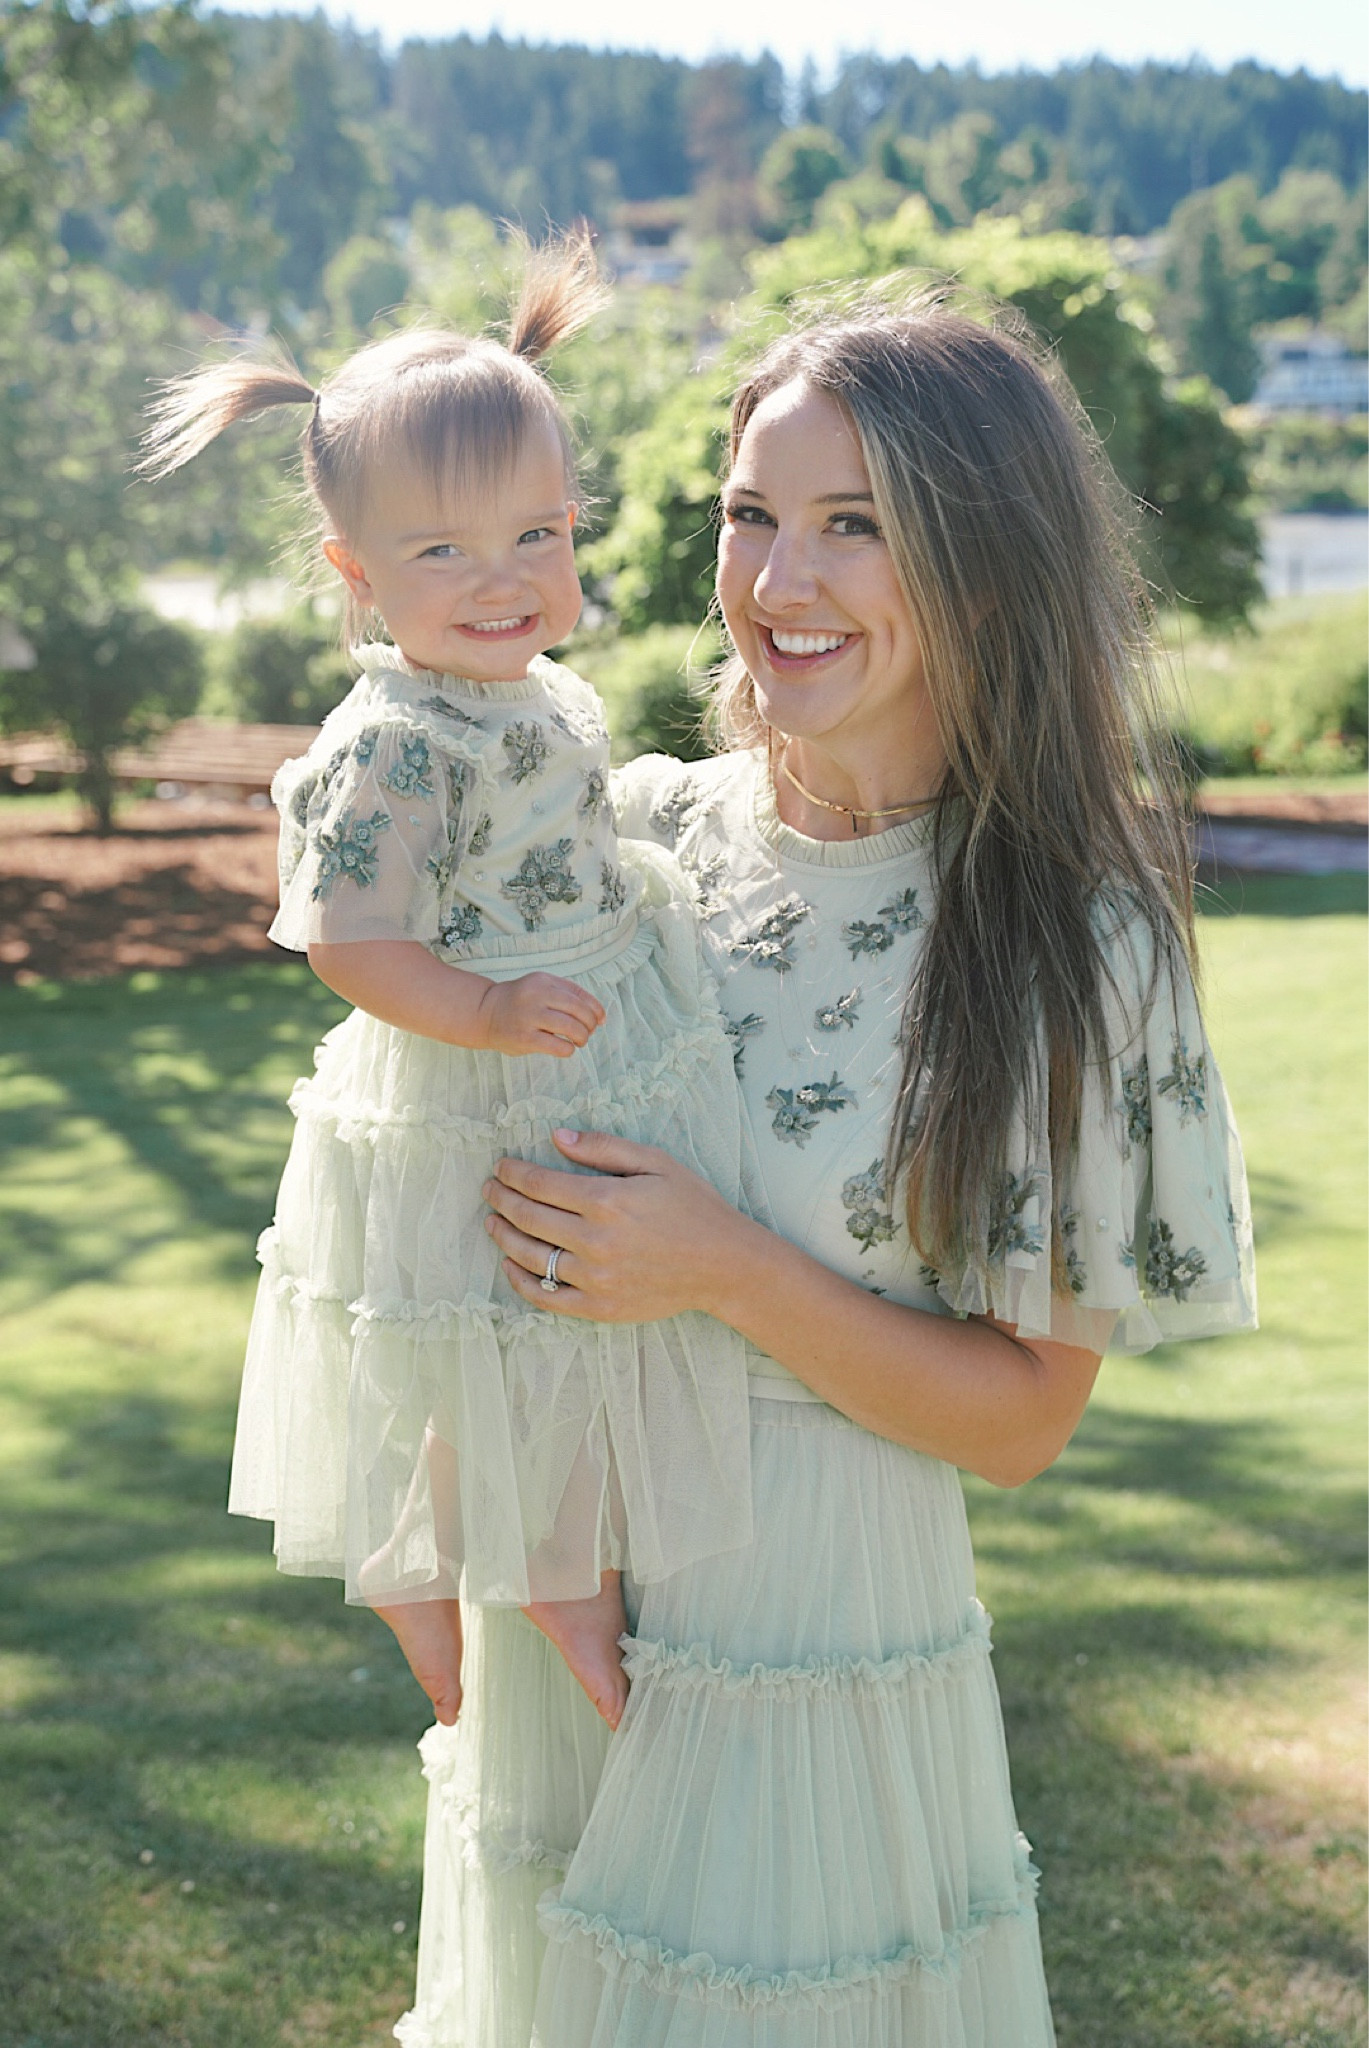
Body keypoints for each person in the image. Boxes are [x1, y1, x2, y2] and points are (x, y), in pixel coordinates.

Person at [399, 288, 1257, 2046]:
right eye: (751, 516)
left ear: (986, 561)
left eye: (854, 526)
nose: (779, 582)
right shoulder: (620, 840)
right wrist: (470, 1508)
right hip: (569, 1616)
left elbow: (1021, 1422)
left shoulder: (1077, 943)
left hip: (818, 1641)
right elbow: (431, 1158)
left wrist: (726, 1267)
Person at [138, 234, 761, 1733]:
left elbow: (547, 833)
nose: (505, 583)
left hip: (584, 1028)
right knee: (503, 1333)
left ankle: (525, 1567)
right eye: (443, 554)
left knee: (584, 1322)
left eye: (537, 537)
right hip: (474, 1069)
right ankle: (509, 1585)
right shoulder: (391, 741)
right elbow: (347, 940)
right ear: (354, 577)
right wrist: (482, 1009)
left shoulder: (539, 690)